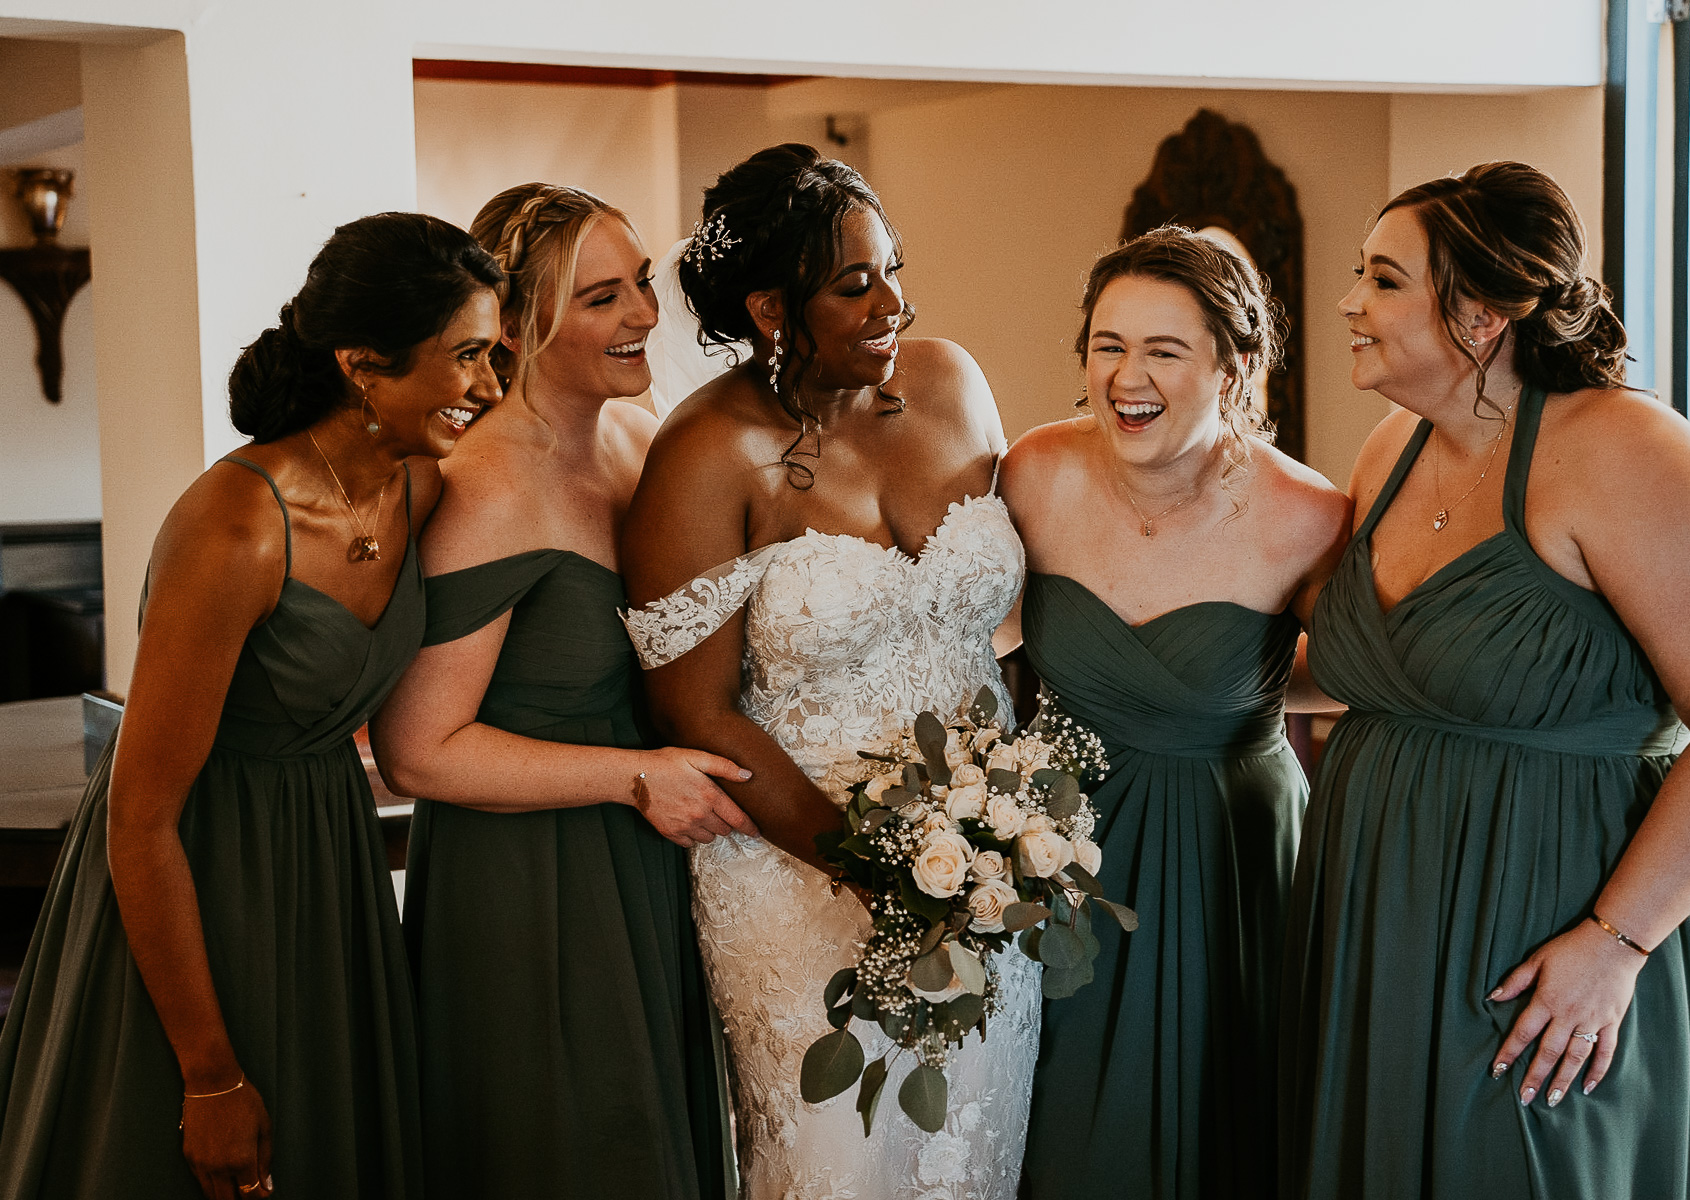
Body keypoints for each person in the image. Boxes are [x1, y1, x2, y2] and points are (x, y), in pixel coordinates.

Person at [1278, 161, 1690, 1199]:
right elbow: (1394, 676)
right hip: (1383, 926)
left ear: (1478, 316)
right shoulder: (1389, 450)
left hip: (1559, 926)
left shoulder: (1629, 453)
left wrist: (1616, 945)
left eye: (1383, 280)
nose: (1348, 304)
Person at [0, 212, 504, 1200]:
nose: (491, 386)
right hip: (195, 883)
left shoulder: (425, 487)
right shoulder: (234, 526)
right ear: (364, 363)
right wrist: (209, 1074)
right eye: (470, 357)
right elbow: (139, 820)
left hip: (329, 866)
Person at [619, 144, 1035, 1199]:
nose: (893, 301)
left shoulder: (952, 380)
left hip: (979, 869)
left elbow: (1016, 612)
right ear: (769, 307)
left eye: (894, 267)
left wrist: (1008, 836)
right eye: (855, 284)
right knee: (837, 1163)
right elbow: (697, 710)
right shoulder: (706, 454)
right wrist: (874, 872)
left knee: (971, 1153)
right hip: (797, 875)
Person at [370, 183, 748, 1200]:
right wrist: (636, 778)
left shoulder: (638, 439)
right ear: (521, 325)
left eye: (638, 285)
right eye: (600, 299)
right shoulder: (489, 483)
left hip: (646, 859)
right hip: (529, 885)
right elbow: (418, 749)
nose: (641, 316)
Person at [1001, 226, 1347, 1199]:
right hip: (1062, 843)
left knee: (1226, 1114)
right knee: (1067, 1124)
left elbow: (1364, 674)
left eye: (1163, 350)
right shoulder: (1034, 474)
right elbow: (969, 639)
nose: (1126, 376)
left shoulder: (1308, 517)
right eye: (1107, 345)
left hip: (1225, 845)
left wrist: (1237, 687)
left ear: (1235, 366)